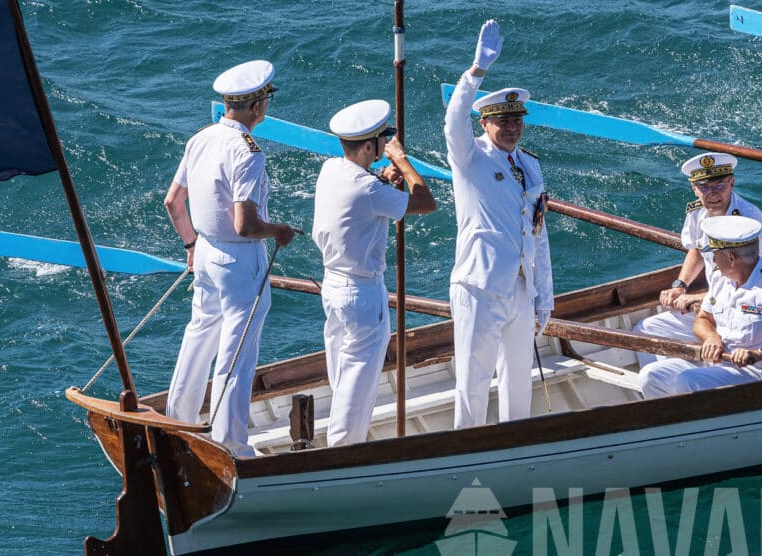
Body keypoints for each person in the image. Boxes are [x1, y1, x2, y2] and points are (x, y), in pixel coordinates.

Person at [163, 60, 297, 456]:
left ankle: (177, 423)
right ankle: (231, 444)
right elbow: (245, 225)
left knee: (199, 336)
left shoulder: (201, 138)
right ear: (257, 106)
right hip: (239, 260)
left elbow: (173, 202)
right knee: (236, 354)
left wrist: (191, 247)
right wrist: (279, 230)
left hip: (204, 251)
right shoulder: (249, 152)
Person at [444, 20, 553, 428]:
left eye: (516, 120)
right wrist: (476, 72)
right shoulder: (470, 157)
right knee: (473, 384)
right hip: (480, 287)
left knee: (518, 382)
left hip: (520, 289)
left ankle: (517, 447)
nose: (511, 127)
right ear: (485, 123)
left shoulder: (529, 165)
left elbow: (538, 234)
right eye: (502, 121)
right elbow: (453, 120)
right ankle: (464, 450)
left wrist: (544, 296)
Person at [311, 100, 436, 447]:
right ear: (370, 147)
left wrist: (381, 178)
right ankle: (343, 453)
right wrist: (403, 162)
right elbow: (426, 203)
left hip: (333, 286)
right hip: (362, 293)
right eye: (383, 140)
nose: (386, 144)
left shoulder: (331, 169)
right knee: (358, 382)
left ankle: (341, 443)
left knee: (342, 375)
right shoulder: (368, 189)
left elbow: (361, 192)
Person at [638, 215, 762, 398]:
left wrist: (759, 354)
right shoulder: (721, 279)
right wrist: (711, 337)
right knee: (651, 375)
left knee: (688, 380)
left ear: (731, 257)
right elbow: (703, 319)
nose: (713, 261)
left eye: (715, 255)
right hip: (719, 364)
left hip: (759, 373)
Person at [632, 153, 762, 366]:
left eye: (719, 186)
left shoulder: (747, 222)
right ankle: (669, 380)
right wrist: (680, 286)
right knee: (645, 331)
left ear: (732, 182)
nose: (713, 194)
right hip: (716, 305)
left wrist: (700, 297)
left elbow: (750, 281)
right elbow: (698, 249)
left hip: (749, 310)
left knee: (716, 354)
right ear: (694, 188)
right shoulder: (698, 212)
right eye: (704, 187)